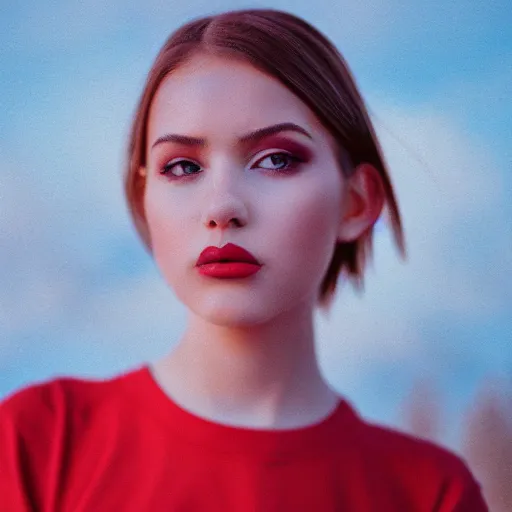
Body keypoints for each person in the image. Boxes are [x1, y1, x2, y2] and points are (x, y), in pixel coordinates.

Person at [0, 8, 488, 511]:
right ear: (144, 196)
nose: (222, 208)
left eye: (277, 159)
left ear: (357, 201)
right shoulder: (37, 443)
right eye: (183, 166)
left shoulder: (430, 493)